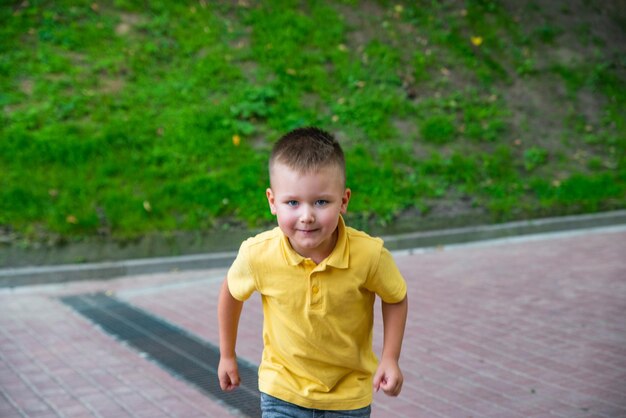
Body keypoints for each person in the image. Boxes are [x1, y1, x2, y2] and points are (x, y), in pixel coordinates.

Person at [218, 127, 408, 417]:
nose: (306, 216)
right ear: (272, 201)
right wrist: (227, 354)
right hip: (282, 392)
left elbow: (396, 297)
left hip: (349, 397)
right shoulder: (258, 254)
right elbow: (231, 293)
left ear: (343, 201)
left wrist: (390, 358)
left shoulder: (369, 255)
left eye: (321, 202)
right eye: (292, 202)